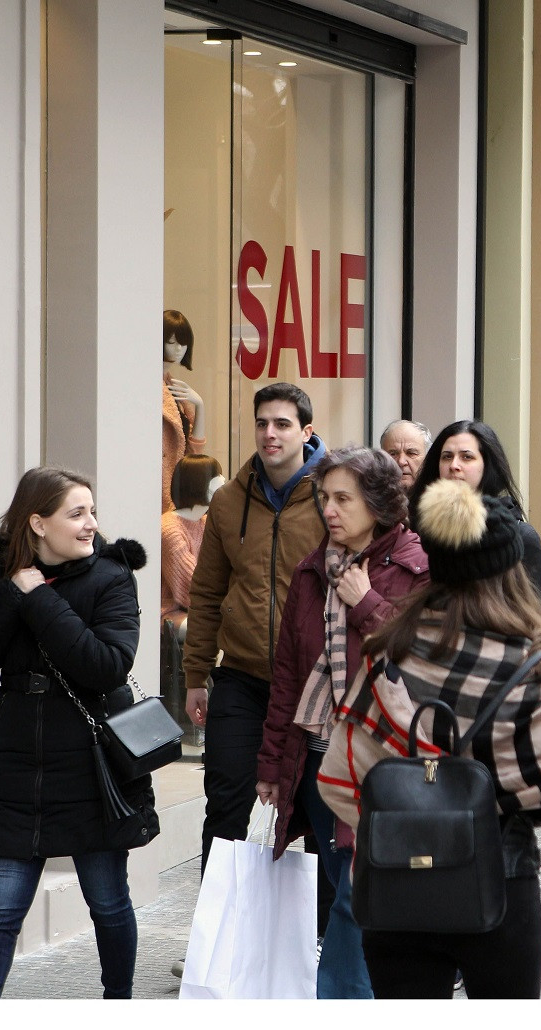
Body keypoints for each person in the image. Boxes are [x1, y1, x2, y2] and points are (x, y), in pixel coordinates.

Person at [319, 478, 541, 998]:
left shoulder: (387, 654)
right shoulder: (528, 668)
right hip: (499, 890)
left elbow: (337, 779)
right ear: (509, 571)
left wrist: (413, 817)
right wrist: (482, 803)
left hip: (396, 892)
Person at [0, 467, 158, 999]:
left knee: (108, 903)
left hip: (93, 768)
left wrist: (39, 599)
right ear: (37, 523)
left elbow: (106, 665)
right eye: (76, 513)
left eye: (92, 512)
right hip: (14, 764)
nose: (91, 525)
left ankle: (118, 1002)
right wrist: (13, 593)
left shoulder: (111, 576)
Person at [254, 447, 429, 999]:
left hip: (383, 756)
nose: (329, 510)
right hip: (316, 755)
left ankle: (341, 999)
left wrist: (367, 601)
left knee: (358, 890)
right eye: (324, 498)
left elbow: (423, 659)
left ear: (376, 504)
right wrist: (270, 765)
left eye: (343, 499)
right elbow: (287, 675)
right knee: (345, 887)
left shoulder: (415, 566)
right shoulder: (312, 571)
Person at [183, 382, 326, 871]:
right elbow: (206, 592)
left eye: (283, 424)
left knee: (316, 811)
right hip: (241, 679)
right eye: (262, 423)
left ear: (306, 431)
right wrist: (196, 675)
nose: (270, 434)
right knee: (225, 803)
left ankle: (322, 940)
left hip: (316, 682)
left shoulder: (335, 494)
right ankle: (216, 940)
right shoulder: (227, 500)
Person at [408, 419, 541, 607]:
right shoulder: (418, 530)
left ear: (487, 465)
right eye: (447, 457)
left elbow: (539, 621)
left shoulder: (520, 536)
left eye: (467, 457)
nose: (454, 465)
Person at [161, 454, 224, 633]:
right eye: (216, 476)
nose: (223, 480)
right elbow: (191, 586)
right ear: (200, 483)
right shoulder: (169, 529)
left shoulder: (205, 523)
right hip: (171, 612)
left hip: (201, 609)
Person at [162, 310, 207, 513]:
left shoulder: (174, 388)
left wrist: (200, 405)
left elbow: (194, 451)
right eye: (171, 342)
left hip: (175, 488)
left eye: (183, 342)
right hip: (158, 487)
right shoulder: (151, 388)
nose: (179, 348)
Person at [379, 418, 432, 490]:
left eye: (411, 453)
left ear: (427, 459)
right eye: (393, 454)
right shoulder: (365, 499)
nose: (401, 462)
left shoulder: (441, 500)